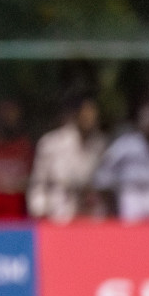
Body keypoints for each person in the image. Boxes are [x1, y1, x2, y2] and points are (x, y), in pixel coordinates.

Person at [28, 94, 106, 222]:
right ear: (75, 114)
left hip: (90, 215)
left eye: (93, 112)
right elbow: (38, 183)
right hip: (58, 212)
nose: (90, 117)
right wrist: (40, 211)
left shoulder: (100, 145)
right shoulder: (52, 143)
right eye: (85, 112)